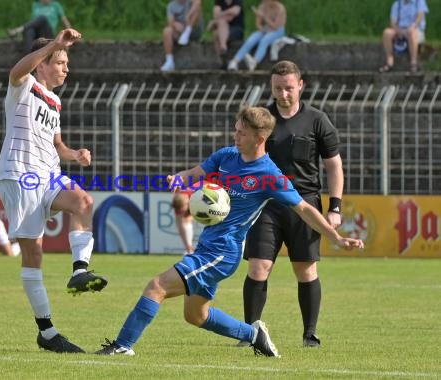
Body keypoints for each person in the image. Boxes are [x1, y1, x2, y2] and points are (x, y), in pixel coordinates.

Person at [94, 106, 364, 357]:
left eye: (241, 133)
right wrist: (179, 178)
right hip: (207, 246)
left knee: (156, 287)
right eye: (235, 129)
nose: (235, 136)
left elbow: (304, 209)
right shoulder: (226, 156)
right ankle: (253, 334)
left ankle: (122, 345)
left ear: (259, 138)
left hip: (223, 252)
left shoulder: (269, 175)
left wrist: (335, 237)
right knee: (195, 316)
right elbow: (197, 172)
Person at [0, 28, 108, 354]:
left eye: (65, 62)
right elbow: (15, 72)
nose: (65, 67)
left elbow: (56, 145)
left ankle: (80, 271)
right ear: (42, 65)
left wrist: (76, 155)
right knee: (34, 256)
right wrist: (54, 44)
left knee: (84, 201)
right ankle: (46, 332)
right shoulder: (24, 86)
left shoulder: (55, 100)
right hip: (20, 176)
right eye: (59, 61)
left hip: (48, 175)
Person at [240, 60, 344, 349]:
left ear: (300, 86)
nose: (283, 94)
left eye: (288, 88)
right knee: (258, 267)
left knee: (306, 270)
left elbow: (334, 166)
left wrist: (335, 207)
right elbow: (244, 158)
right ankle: (250, 333)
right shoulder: (261, 119)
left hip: (304, 205)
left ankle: (309, 334)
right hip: (266, 205)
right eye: (277, 88)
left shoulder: (317, 120)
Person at [227, 0, 286, 72]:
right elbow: (258, 25)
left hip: (277, 30)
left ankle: (254, 62)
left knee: (265, 40)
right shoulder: (262, 6)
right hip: (266, 28)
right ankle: (235, 61)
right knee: (251, 40)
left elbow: (276, 26)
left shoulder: (280, 8)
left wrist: (264, 17)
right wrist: (262, 29)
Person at [379, 0, 429, 73]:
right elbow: (393, 22)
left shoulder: (419, 1)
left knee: (412, 33)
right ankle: (389, 61)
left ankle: (413, 63)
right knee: (387, 33)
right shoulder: (397, 4)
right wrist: (399, 31)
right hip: (401, 29)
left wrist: (412, 26)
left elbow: (420, 15)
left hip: (416, 29)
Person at [7, 0, 72, 53]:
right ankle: (29, 56)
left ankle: (18, 30)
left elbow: (64, 20)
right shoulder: (36, 5)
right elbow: (33, 22)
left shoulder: (56, 5)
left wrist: (71, 34)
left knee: (42, 18)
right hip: (37, 33)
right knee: (29, 31)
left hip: (48, 33)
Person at [160, 0, 205, 72]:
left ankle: (187, 31)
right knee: (167, 31)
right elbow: (170, 21)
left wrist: (189, 15)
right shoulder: (171, 5)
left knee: (197, 9)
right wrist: (174, 24)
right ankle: (169, 61)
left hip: (194, 29)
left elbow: (198, 2)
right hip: (180, 32)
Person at [207, 0, 245, 68]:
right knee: (216, 32)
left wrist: (218, 17)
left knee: (220, 25)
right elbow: (216, 15)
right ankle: (222, 56)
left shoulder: (237, 1)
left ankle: (222, 50)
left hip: (236, 29)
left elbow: (234, 13)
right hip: (223, 30)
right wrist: (228, 12)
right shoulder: (219, 2)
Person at [171, 189, 195, 255]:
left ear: (185, 203)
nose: (183, 212)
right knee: (183, 221)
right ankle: (189, 249)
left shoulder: (194, 195)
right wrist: (187, 245)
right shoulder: (178, 201)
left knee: (187, 220)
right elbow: (180, 225)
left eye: (183, 209)